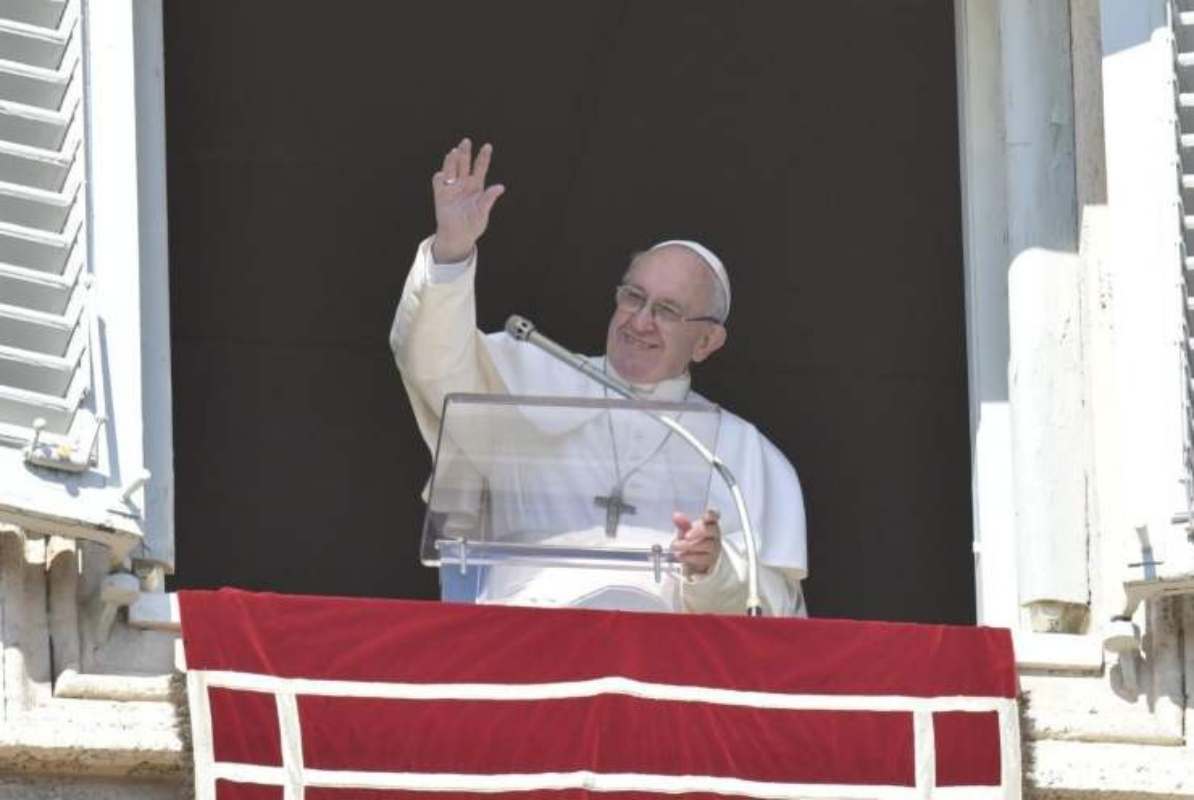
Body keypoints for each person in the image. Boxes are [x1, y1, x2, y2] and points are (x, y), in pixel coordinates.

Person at [391, 138, 807, 615]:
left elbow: (774, 607)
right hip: (527, 635)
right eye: (633, 297)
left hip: (660, 660)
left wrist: (712, 568)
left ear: (707, 342)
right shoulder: (532, 379)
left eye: (667, 310)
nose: (640, 321)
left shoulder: (741, 455)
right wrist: (452, 251)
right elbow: (432, 363)